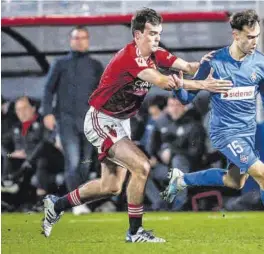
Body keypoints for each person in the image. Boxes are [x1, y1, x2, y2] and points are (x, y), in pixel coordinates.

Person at [41, 8, 232, 243]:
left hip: (120, 121)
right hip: (101, 119)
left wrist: (207, 63)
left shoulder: (157, 53)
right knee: (141, 166)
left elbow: (188, 67)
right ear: (138, 35)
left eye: (159, 33)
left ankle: (56, 205)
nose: (156, 38)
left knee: (110, 186)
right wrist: (204, 85)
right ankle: (134, 232)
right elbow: (162, 81)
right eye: (152, 33)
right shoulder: (130, 58)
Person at [161, 9, 264, 241]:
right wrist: (178, 86)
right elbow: (186, 99)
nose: (255, 42)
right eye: (250, 37)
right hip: (224, 132)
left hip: (247, 134)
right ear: (235, 34)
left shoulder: (260, 63)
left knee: (234, 182)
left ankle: (181, 180)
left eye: (257, 36)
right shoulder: (214, 62)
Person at [42, 25, 104, 215]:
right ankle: (77, 204)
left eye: (83, 38)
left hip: (89, 121)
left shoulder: (95, 65)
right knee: (73, 161)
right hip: (66, 120)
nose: (80, 41)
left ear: (88, 41)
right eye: (76, 38)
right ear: (71, 40)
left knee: (86, 162)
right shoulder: (60, 63)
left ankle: (79, 201)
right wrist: (47, 113)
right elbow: (48, 89)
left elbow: (102, 93)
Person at [1, 96, 63, 210]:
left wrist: (28, 157)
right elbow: (2, 143)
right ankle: (7, 189)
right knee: (8, 158)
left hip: (49, 162)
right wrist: (11, 154)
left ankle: (40, 199)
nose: (21, 113)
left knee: (42, 157)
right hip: (26, 166)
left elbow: (47, 145)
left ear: (33, 108)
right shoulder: (16, 127)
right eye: (18, 110)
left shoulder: (43, 123)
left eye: (24, 108)